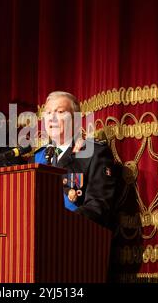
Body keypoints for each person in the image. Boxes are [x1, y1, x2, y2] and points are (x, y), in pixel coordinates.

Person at [33, 91, 118, 229]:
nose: (51, 118)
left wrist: (61, 223)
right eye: (47, 113)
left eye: (60, 112)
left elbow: (98, 207)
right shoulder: (37, 157)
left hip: (74, 237)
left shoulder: (93, 153)